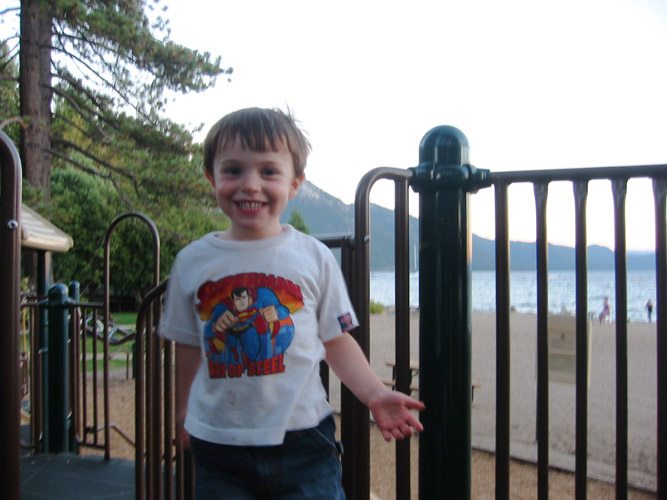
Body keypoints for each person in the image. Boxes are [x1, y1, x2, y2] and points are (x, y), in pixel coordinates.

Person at [160, 107, 424, 499]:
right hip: (219, 445)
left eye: (268, 171)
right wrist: (183, 409)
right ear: (211, 178)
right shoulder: (192, 262)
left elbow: (336, 341)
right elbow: (187, 346)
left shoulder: (313, 257)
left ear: (295, 183)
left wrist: (374, 394)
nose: (250, 184)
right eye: (234, 170)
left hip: (304, 440)